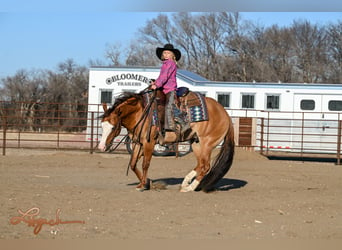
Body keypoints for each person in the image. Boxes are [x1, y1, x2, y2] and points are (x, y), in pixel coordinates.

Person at [150, 44, 188, 134]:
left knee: (169, 106)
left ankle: (176, 124)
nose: (166, 54)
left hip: (170, 89)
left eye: (168, 53)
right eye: (165, 53)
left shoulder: (170, 63)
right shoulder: (165, 64)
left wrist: (157, 85)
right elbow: (161, 77)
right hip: (164, 89)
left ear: (172, 55)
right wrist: (155, 82)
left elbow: (165, 76)